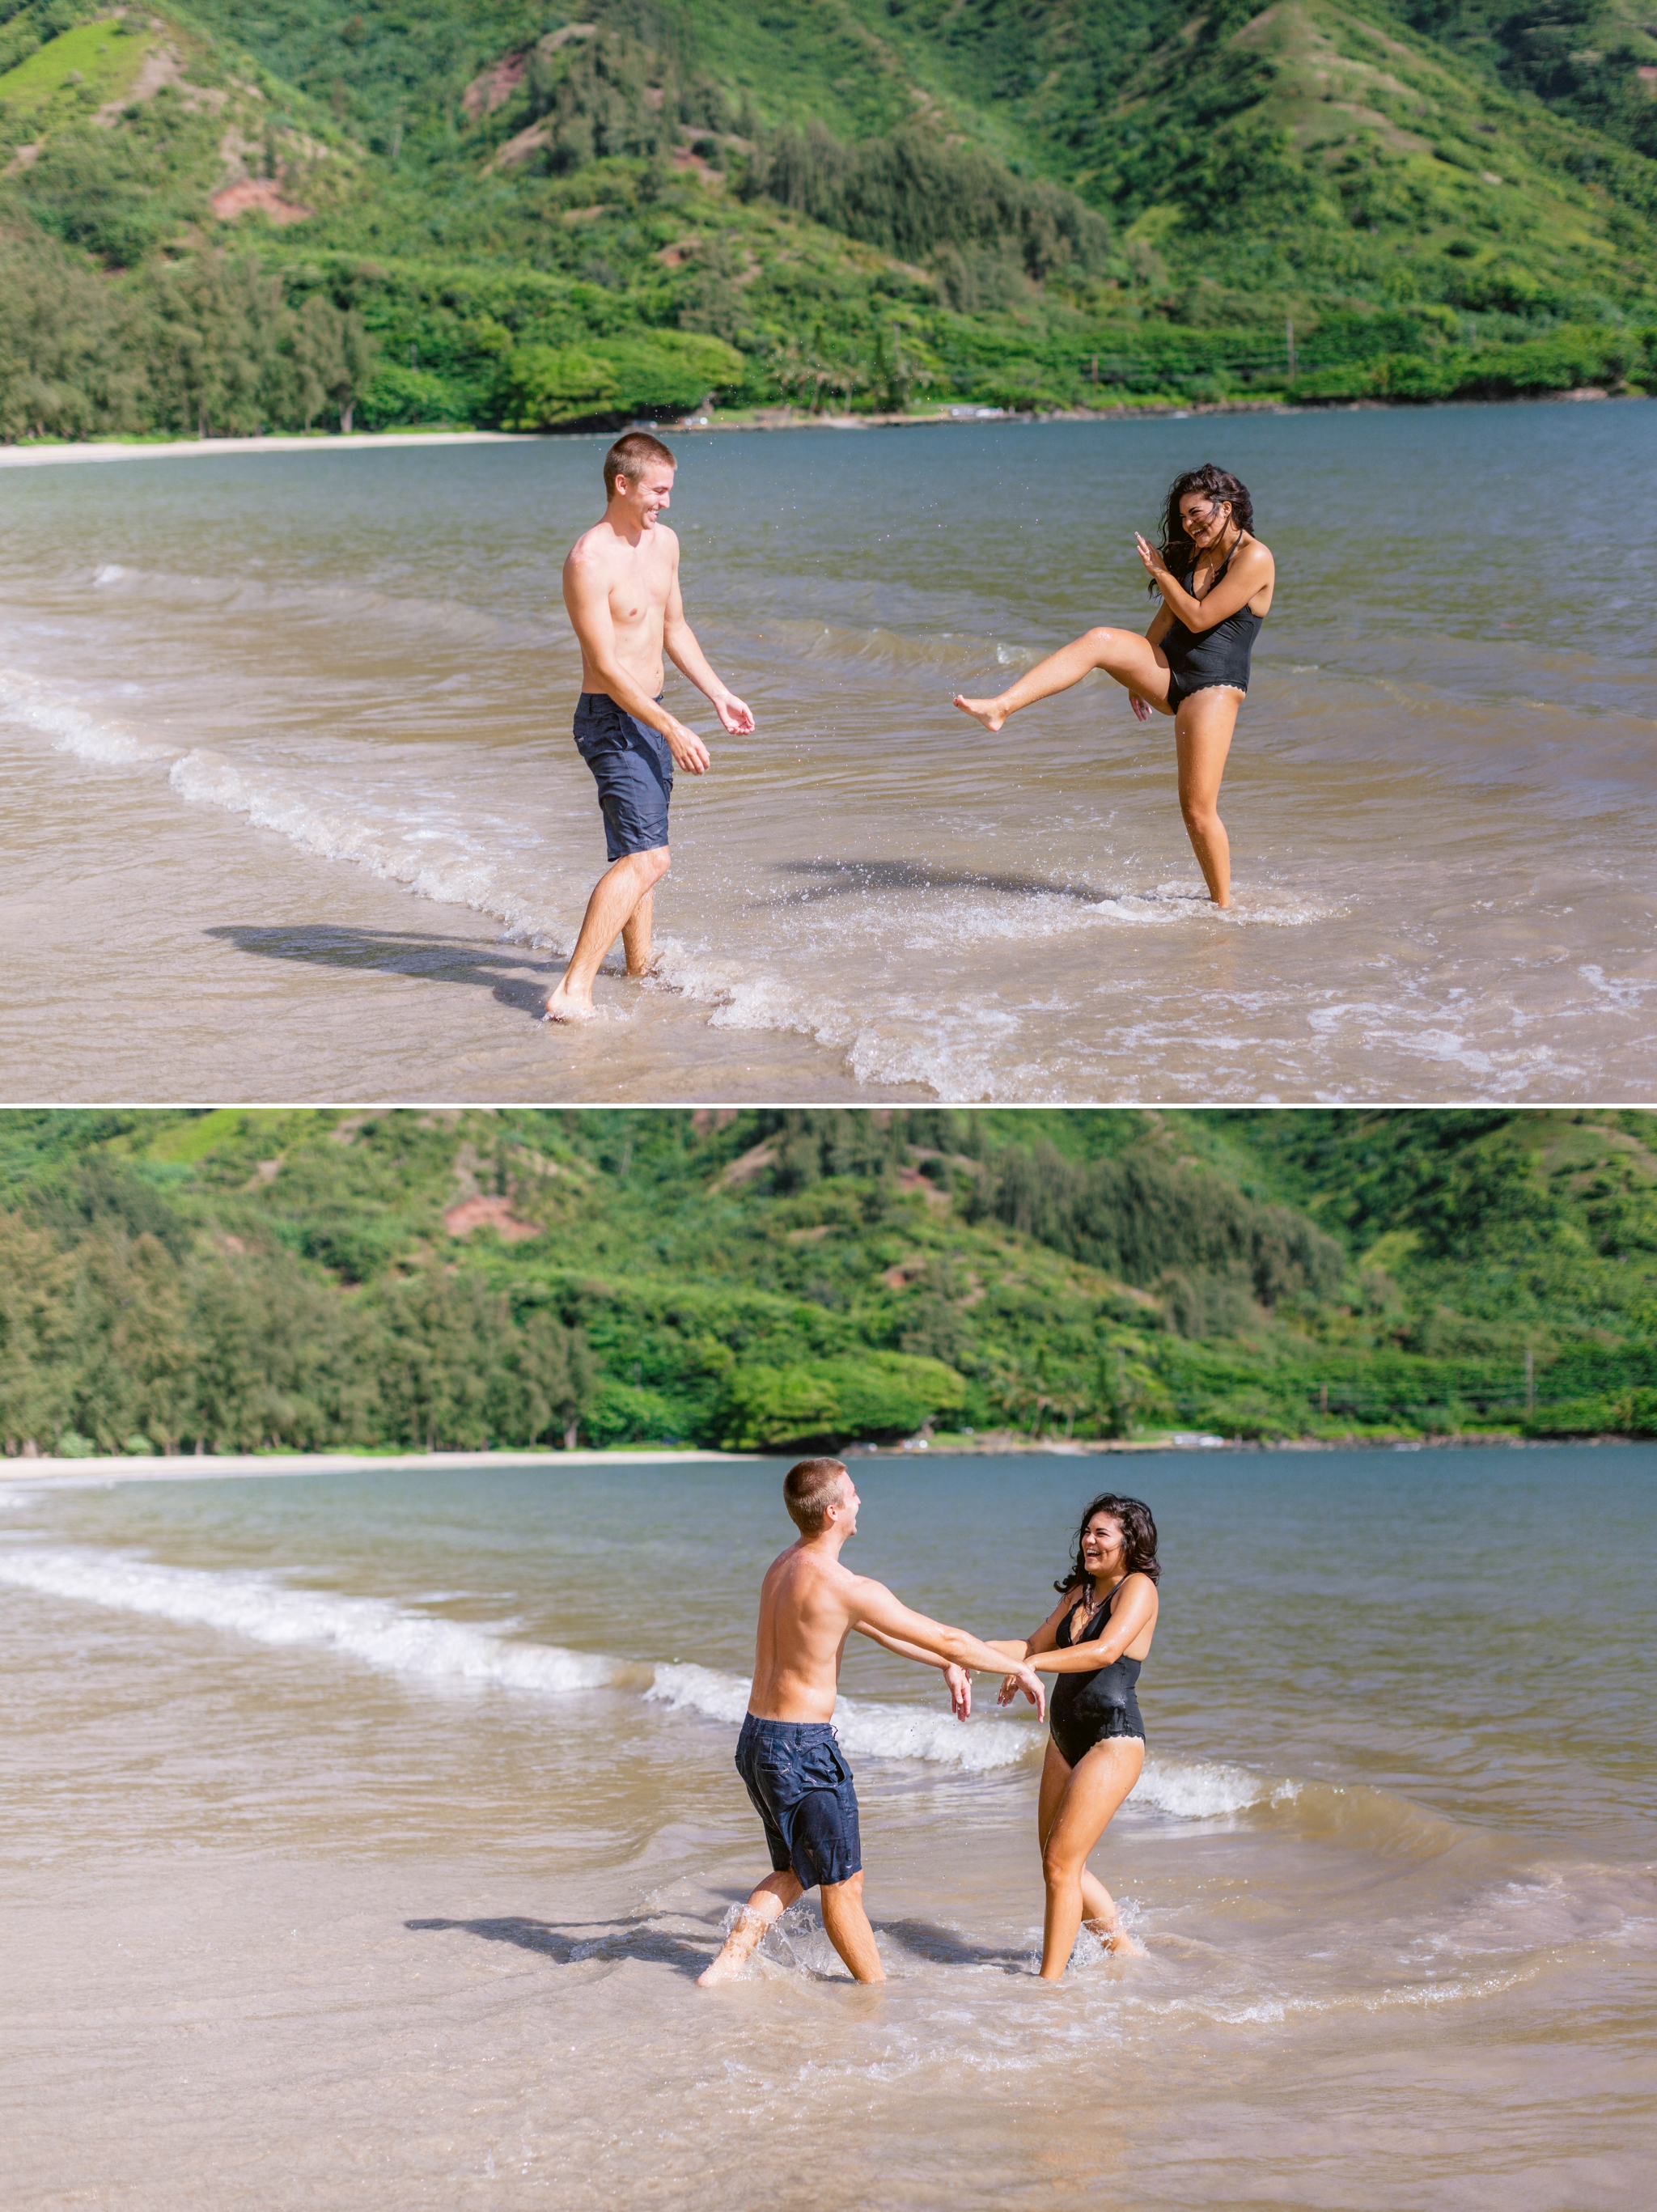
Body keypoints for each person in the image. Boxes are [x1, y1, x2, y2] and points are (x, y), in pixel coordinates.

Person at [697, 1456, 1045, 1988]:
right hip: (803, 1751)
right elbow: (946, 1634)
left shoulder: (784, 1566)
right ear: (834, 1511)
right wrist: (1017, 1666)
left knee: (797, 1870)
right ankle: (875, 1994)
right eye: (854, 1494)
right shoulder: (846, 1584)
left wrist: (947, 1664)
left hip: (758, 1741)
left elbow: (885, 1632)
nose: (861, 1501)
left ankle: (729, 1962)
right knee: (842, 1884)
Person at [952, 464, 1273, 909]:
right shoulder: (1196, 554)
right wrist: (1139, 668)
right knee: (1100, 640)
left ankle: (1223, 908)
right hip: (1168, 668)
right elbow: (1169, 616)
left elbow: (1200, 617)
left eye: (1197, 513)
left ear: (1227, 506)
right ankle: (1001, 707)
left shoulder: (1254, 557)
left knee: (1197, 810)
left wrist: (1161, 572)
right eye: (1182, 517)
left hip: (1213, 686)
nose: (1189, 524)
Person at [545, 431, 755, 1023]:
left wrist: (718, 695)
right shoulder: (588, 561)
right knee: (649, 859)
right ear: (623, 484)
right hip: (612, 719)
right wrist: (670, 728)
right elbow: (607, 668)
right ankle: (572, 991)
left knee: (643, 848)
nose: (665, 502)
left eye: (669, 490)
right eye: (658, 491)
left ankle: (639, 969)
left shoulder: (665, 544)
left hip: (652, 710)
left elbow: (675, 627)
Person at [990, 1491, 1159, 1980]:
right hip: (1065, 1739)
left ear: (1129, 1542)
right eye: (1086, 1531)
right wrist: (963, 1651)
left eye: (1100, 1533)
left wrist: (1034, 1665)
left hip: (1113, 1738)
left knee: (1062, 1865)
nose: (1088, 1540)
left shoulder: (1138, 1588)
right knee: (1058, 1861)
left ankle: (1049, 1984)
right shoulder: (1079, 1593)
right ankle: (1124, 1951)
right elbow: (1029, 1644)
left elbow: (1105, 1651)